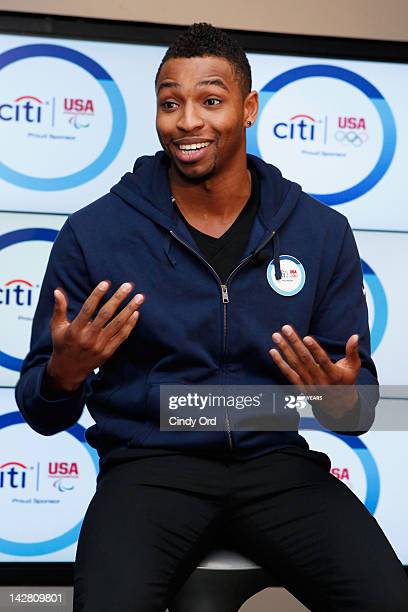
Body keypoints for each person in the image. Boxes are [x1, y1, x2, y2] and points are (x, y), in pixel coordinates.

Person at [16, 23, 408, 612]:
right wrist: (63, 376)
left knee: (387, 598)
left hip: (275, 465)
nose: (187, 121)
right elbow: (40, 410)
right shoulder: (95, 233)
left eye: (210, 100)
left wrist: (339, 397)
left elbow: (358, 412)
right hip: (150, 468)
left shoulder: (320, 232)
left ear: (248, 109)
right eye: (170, 103)